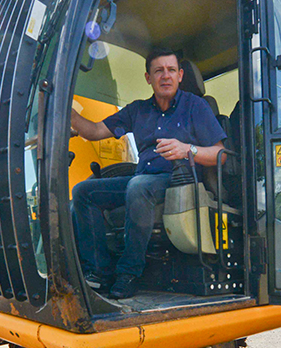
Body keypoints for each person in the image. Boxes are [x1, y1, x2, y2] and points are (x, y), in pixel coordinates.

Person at [69, 47, 227, 299]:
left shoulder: (195, 106)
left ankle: (129, 273)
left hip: (178, 181)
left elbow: (220, 154)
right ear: (148, 78)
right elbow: (95, 131)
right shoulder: (138, 110)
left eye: (171, 70)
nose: (165, 76)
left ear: (180, 75)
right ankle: (98, 272)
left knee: (137, 186)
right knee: (83, 192)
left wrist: (187, 149)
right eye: (158, 71)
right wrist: (70, 113)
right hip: (141, 179)